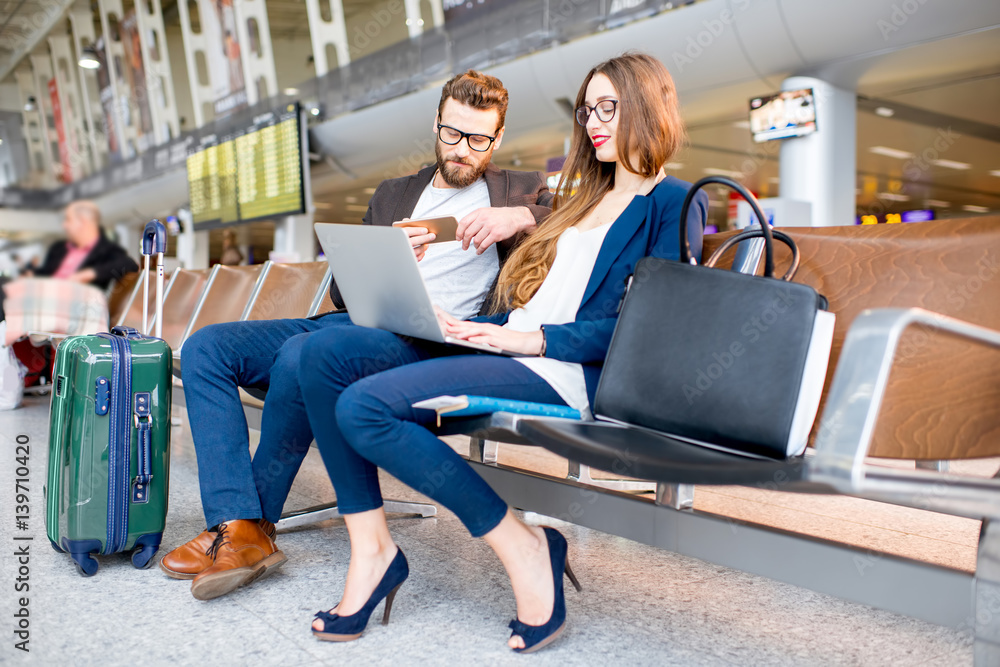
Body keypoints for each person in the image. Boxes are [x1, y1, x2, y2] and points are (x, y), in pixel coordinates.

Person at [298, 52, 708, 653]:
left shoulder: (674, 201)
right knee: (326, 360)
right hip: (514, 347)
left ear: (647, 108)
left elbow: (651, 327)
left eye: (609, 108)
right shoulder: (582, 200)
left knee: (364, 409)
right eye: (587, 108)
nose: (593, 121)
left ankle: (523, 545)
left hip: (567, 370)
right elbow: (538, 301)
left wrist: (533, 339)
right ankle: (373, 552)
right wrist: (464, 326)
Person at [162, 69, 555, 600]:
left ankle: (247, 531)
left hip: (427, 339)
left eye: (479, 139)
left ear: (498, 139)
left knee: (302, 355)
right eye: (452, 134)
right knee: (207, 347)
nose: (463, 150)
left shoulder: (522, 190)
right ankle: (240, 525)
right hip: (353, 321)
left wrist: (518, 217)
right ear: (436, 124)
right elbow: (345, 297)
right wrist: (389, 260)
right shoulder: (395, 195)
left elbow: (575, 222)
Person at [28, 201, 138, 289]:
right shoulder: (58, 249)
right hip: (44, 297)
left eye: (68, 220)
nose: (64, 225)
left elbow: (129, 264)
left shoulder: (107, 250)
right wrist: (31, 276)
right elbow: (46, 273)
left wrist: (88, 274)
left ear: (83, 222)